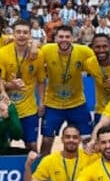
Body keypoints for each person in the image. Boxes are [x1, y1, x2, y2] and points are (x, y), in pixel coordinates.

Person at [40, 25, 95, 154]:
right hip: (53, 104)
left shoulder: (84, 51)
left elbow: (99, 64)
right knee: (47, 140)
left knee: (87, 139)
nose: (64, 40)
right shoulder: (46, 50)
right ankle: (42, 166)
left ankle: (90, 168)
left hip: (77, 104)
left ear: (73, 38)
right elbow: (32, 52)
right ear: (55, 38)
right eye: (60, 37)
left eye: (67, 37)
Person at [0, 19, 45, 151]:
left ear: (30, 35)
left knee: (32, 146)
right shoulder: (2, 53)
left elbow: (40, 81)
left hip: (29, 109)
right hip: (7, 108)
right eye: (18, 32)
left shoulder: (38, 54)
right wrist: (6, 90)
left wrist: (41, 103)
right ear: (13, 34)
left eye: (25, 32)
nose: (21, 35)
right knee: (3, 146)